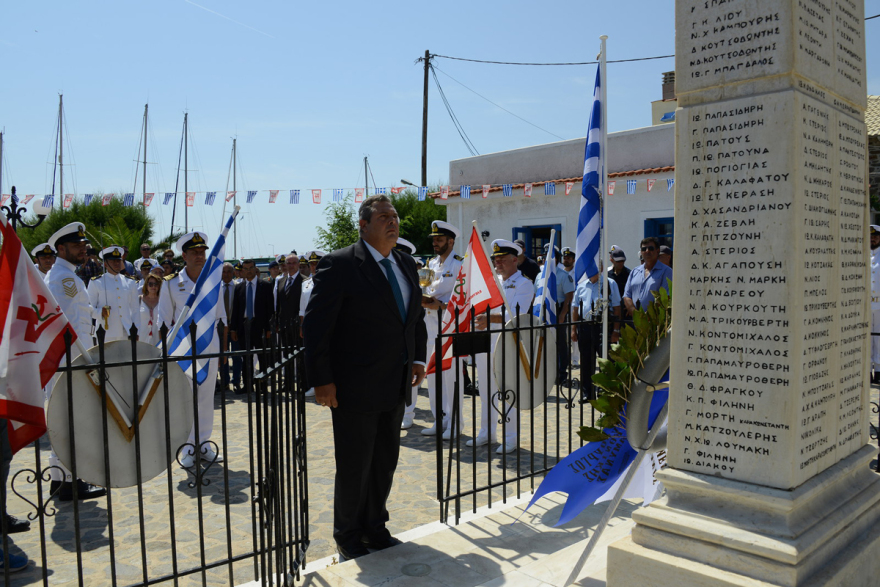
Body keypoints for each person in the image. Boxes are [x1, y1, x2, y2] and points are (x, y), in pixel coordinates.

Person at [303, 195, 427, 561]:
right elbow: (316, 327)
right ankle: (348, 535)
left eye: (395, 216)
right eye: (384, 217)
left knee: (384, 462)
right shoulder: (340, 264)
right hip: (354, 386)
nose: (393, 222)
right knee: (355, 464)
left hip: (395, 381)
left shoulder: (405, 262)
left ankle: (375, 527)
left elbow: (415, 316)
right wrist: (321, 379)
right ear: (364, 225)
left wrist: (418, 357)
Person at [44, 222, 107, 501]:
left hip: (70, 359)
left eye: (84, 245)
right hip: (70, 359)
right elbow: (67, 326)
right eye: (76, 245)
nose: (83, 249)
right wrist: (85, 360)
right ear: (61, 249)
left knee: (64, 419)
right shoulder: (64, 279)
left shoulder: (64, 275)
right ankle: (70, 481)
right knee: (71, 420)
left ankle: (61, 479)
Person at [157, 231, 227, 468]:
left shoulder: (213, 282)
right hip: (183, 349)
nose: (200, 256)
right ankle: (187, 447)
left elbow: (220, 318)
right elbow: (164, 322)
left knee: (206, 397)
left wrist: (221, 349)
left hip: (209, 345)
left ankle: (204, 443)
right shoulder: (170, 284)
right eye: (194, 252)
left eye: (202, 252)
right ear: (184, 256)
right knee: (185, 399)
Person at [469, 239, 535, 454]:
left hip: (508, 343)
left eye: (502, 259)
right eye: (495, 259)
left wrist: (489, 318)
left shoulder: (524, 284)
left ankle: (510, 437)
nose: (498, 263)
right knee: (485, 389)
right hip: (485, 341)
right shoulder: (493, 281)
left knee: (507, 391)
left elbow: (518, 314)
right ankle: (486, 432)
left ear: (515, 260)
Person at [416, 222, 463, 436]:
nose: (435, 243)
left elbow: (464, 299)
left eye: (439, 239)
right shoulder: (430, 263)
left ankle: (455, 423)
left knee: (451, 377)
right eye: (434, 239)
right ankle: (439, 420)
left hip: (449, 324)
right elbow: (423, 288)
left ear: (450, 241)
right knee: (433, 376)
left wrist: (442, 305)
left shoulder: (460, 265)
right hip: (429, 325)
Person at [571, 267, 621, 402]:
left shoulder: (610, 283)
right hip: (585, 327)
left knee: (605, 361)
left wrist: (616, 330)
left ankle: (605, 391)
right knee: (586, 361)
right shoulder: (581, 286)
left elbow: (617, 307)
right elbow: (575, 308)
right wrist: (573, 329)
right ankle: (587, 392)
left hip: (603, 326)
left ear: (601, 267)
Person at [229, 259, 275, 393]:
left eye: (250, 268)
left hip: (260, 326)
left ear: (255, 269)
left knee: (262, 357)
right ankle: (247, 385)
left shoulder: (265, 286)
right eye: (245, 269)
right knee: (246, 357)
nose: (248, 271)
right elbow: (236, 310)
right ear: (242, 270)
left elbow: (270, 309)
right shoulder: (239, 287)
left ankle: (263, 385)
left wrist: (269, 328)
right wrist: (233, 329)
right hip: (243, 326)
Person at [87, 246, 139, 342]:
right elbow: (88, 307)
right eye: (113, 261)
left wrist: (136, 330)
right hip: (105, 332)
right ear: (105, 264)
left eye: (118, 261)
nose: (117, 263)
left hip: (126, 331)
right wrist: (100, 313)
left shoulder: (130, 282)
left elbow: (135, 309)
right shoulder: (96, 282)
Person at [542, 244, 575, 385]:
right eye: (545, 257)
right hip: (544, 311)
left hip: (558, 310)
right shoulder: (540, 275)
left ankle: (561, 373)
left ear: (556, 259)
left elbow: (569, 296)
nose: (547, 259)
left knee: (560, 343)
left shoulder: (563, 276)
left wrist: (562, 314)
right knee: (544, 342)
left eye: (550, 257)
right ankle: (546, 372)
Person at [622, 237, 673, 316]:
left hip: (656, 321)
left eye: (651, 248)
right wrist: (636, 314)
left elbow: (665, 298)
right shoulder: (634, 271)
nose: (647, 251)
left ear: (657, 251)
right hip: (635, 320)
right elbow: (627, 296)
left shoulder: (667, 271)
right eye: (644, 249)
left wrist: (648, 317)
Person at [299, 250, 325, 398]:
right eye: (312, 264)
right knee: (311, 355)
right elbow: (302, 308)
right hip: (310, 324)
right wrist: (302, 325)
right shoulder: (306, 284)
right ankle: (314, 385)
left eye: (316, 263)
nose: (314, 266)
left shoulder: (330, 281)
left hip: (325, 323)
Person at [218, 263, 242, 393]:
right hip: (221, 328)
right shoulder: (216, 288)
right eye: (224, 271)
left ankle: (236, 381)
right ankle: (225, 381)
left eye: (229, 271)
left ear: (233, 272)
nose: (226, 274)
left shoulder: (238, 286)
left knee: (237, 356)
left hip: (235, 327)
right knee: (223, 356)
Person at [276, 254, 303, 338]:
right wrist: (277, 322)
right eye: (288, 263)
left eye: (294, 263)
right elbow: (278, 304)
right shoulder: (280, 281)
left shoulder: (305, 281)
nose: (291, 265)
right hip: (283, 325)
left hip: (298, 325)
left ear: (298, 264)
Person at [138, 269, 163, 346]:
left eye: (156, 284)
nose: (153, 286)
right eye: (150, 284)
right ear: (146, 285)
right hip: (142, 337)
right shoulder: (139, 299)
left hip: (159, 337)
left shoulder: (163, 300)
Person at [871, 226, 880, 384]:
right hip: (865, 305)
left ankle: (878, 371)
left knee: (878, 339)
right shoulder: (862, 253)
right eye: (871, 237)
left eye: (876, 236)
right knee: (866, 338)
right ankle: (866, 369)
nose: (872, 239)